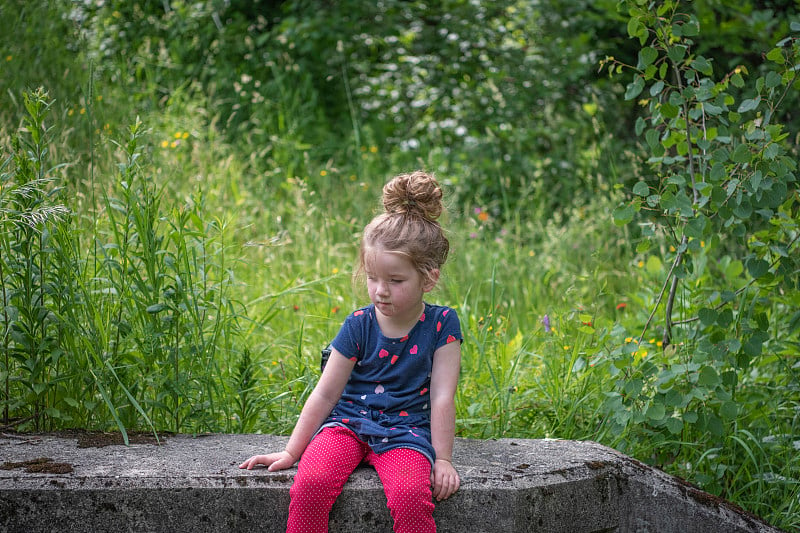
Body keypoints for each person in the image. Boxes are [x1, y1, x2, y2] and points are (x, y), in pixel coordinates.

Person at [240, 170, 463, 533]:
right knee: (311, 484)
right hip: (346, 426)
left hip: (407, 432)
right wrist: (292, 452)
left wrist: (443, 459)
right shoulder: (359, 323)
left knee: (410, 496)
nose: (380, 291)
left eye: (395, 280)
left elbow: (441, 396)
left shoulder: (442, 326)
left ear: (429, 278)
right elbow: (326, 392)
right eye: (373, 277)